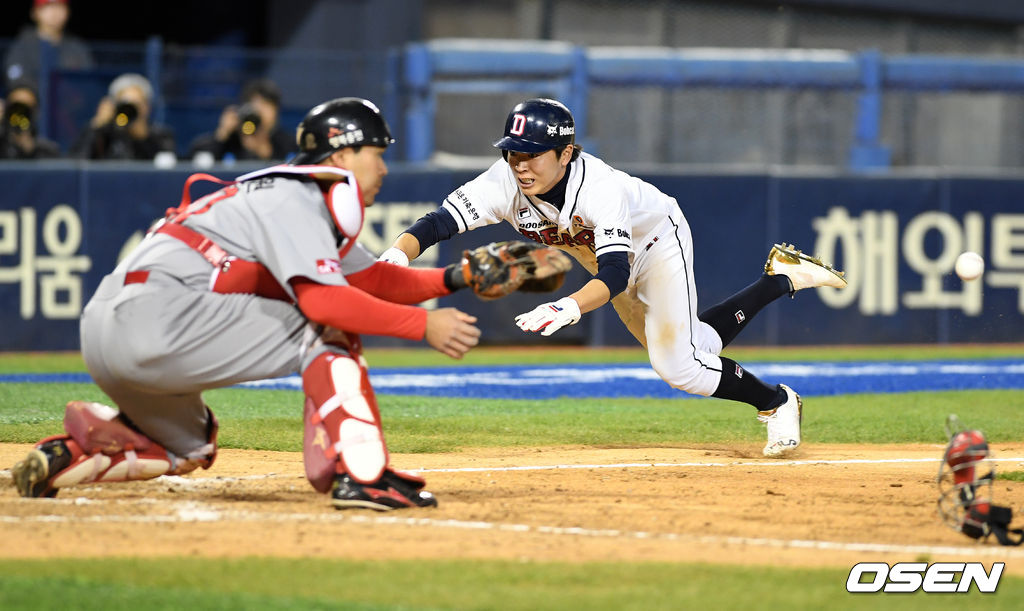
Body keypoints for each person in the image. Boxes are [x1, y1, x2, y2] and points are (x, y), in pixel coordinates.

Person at [11, 97, 482, 511]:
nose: (382, 168)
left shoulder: (284, 194)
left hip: (104, 331)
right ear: (342, 154)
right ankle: (364, 475)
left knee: (190, 447)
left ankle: (80, 452)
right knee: (324, 327)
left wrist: (458, 277)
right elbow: (325, 302)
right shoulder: (295, 196)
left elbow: (370, 277)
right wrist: (423, 326)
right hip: (158, 317)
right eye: (376, 154)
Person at [379, 98, 848, 458]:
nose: (520, 163)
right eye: (512, 152)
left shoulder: (598, 187)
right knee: (694, 348)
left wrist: (569, 306)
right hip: (599, 259)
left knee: (677, 366)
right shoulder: (504, 182)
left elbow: (615, 273)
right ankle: (779, 279)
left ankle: (777, 401)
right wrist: (394, 260)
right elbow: (437, 222)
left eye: (533, 153)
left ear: (565, 153)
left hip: (656, 242)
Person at [188, 78, 296, 163]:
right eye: (254, 104)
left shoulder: (287, 143)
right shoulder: (231, 140)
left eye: (265, 104)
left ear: (276, 110)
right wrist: (221, 134)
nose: (259, 110)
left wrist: (266, 152)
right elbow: (199, 162)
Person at [71, 73, 175, 160]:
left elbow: (166, 170)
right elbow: (77, 164)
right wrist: (96, 126)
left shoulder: (161, 136)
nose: (128, 110)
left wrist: (144, 138)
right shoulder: (104, 133)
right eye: (124, 105)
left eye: (136, 105)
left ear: (147, 107)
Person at [3, 0, 95, 88]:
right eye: (48, 6)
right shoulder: (23, 45)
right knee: (21, 95)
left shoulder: (76, 47)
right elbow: (16, 79)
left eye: (60, 6)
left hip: (69, 101)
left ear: (68, 12)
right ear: (35, 12)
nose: (54, 12)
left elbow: (88, 82)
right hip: (35, 100)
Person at [0, 79, 62, 159]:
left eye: (25, 110)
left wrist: (30, 151)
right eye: (15, 108)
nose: (19, 116)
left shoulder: (49, 152)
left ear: (36, 113)